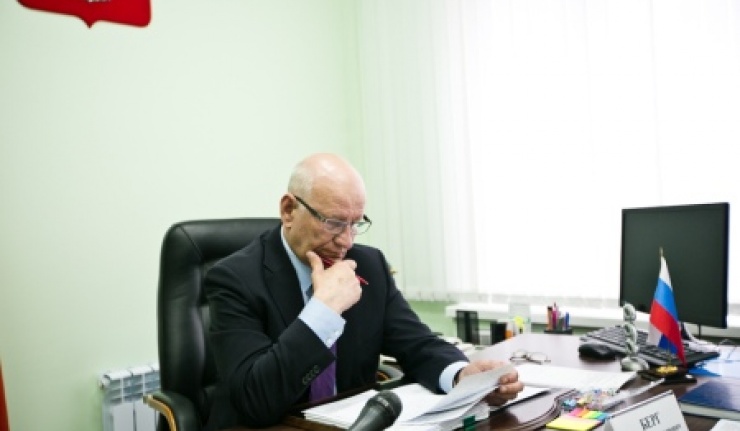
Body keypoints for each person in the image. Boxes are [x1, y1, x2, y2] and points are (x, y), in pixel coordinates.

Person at [204, 153, 523, 430]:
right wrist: (323, 311)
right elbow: (256, 401)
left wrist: (461, 375)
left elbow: (416, 343)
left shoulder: (368, 265)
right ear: (289, 210)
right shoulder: (234, 278)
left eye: (355, 223)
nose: (346, 241)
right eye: (333, 223)